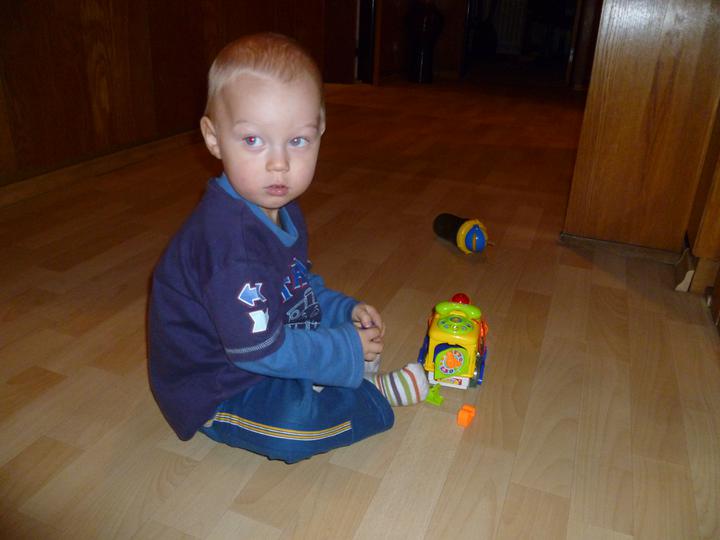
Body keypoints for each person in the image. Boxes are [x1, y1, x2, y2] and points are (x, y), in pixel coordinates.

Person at [148, 33, 428, 464]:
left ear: (320, 132)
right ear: (213, 137)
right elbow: (262, 351)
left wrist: (341, 310)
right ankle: (370, 395)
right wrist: (345, 349)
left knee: (310, 364)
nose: (279, 164)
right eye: (253, 140)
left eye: (297, 141)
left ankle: (331, 379)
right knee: (293, 426)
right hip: (216, 387)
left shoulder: (279, 207)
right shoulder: (231, 250)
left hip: (258, 350)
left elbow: (293, 288)